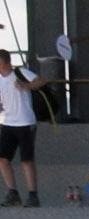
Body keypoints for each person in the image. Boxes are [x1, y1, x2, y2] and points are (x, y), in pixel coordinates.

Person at [0, 50, 42, 209]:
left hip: (25, 122)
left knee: (26, 159)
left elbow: (40, 81)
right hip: (8, 122)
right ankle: (12, 192)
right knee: (3, 158)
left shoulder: (20, 73)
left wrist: (26, 86)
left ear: (7, 62)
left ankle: (33, 194)